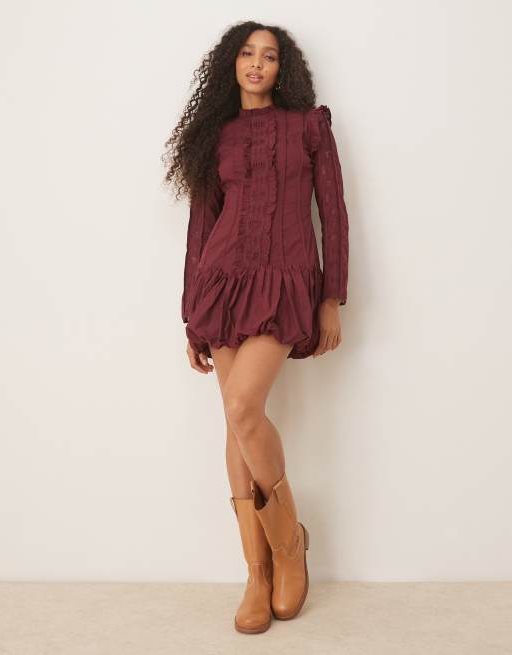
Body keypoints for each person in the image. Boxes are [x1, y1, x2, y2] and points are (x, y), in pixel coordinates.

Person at [163, 21, 349, 634]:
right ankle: (257, 572)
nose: (256, 64)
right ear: (231, 63)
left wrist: (331, 298)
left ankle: (290, 541)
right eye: (246, 53)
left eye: (269, 56)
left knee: (244, 407)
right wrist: (191, 315)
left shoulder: (309, 127)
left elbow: (333, 213)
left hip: (286, 281)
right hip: (221, 285)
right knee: (235, 422)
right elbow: (201, 228)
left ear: (282, 68)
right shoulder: (214, 135)